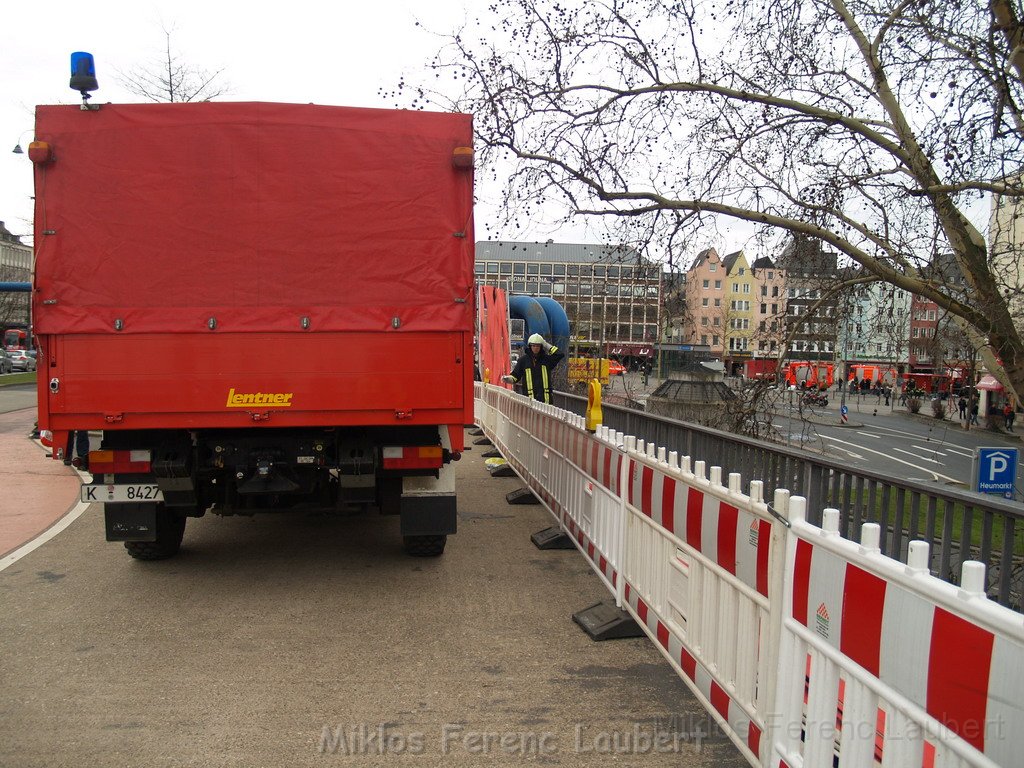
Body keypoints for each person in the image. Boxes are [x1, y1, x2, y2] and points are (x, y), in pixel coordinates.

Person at [502, 333, 564, 404]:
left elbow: (559, 354)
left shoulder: (546, 360)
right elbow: (515, 376)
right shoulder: (523, 360)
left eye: (538, 346)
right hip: (529, 402)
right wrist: (508, 379)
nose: (536, 348)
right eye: (533, 346)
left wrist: (545, 344)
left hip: (546, 403)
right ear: (530, 346)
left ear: (541, 346)